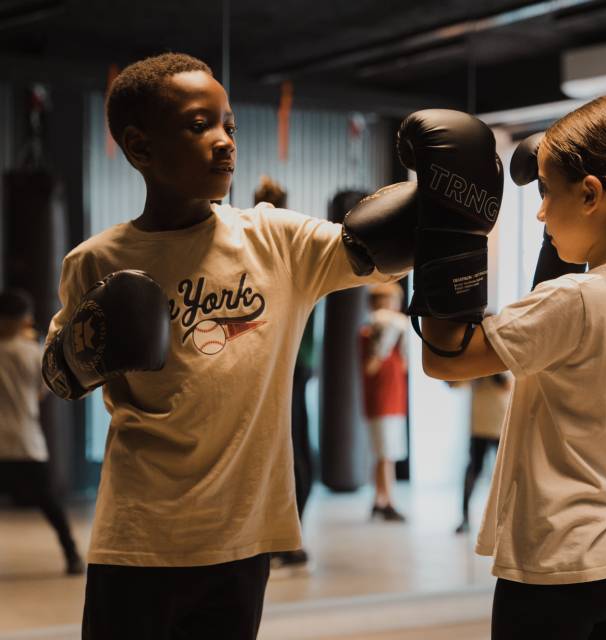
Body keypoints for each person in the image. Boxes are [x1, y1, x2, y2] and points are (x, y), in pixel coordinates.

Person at [40, 53, 426, 639]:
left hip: (240, 539)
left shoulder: (277, 239)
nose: (225, 142)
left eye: (230, 126)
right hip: (137, 538)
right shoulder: (96, 260)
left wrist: (442, 197)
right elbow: (60, 376)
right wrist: (85, 346)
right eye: (200, 126)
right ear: (141, 148)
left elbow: (379, 251)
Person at [414, 95, 606, 639]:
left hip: (559, 567)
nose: (541, 212)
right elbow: (549, 316)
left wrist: (447, 225)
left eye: (546, 194)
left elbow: (443, 359)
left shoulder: (575, 300)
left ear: (590, 194)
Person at [0, 289, 84, 575]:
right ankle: (72, 555)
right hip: (25, 441)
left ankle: (72, 555)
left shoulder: (27, 350)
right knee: (50, 503)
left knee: (50, 502)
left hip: (19, 440)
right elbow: (43, 392)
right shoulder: (33, 351)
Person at [253, 176, 313, 577]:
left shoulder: (268, 243)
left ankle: (282, 540)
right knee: (295, 458)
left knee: (288, 459)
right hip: (288, 364)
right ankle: (281, 540)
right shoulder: (295, 243)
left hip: (281, 364)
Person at [359, 282, 408, 522]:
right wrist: (382, 344)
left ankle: (380, 500)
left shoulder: (398, 335)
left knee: (387, 453)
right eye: (387, 302)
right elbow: (370, 368)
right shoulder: (369, 333)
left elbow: (405, 367)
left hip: (395, 400)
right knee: (384, 454)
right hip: (380, 401)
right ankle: (386, 501)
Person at [450, 372, 511, 535]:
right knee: (473, 471)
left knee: (507, 474)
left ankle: (509, 520)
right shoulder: (476, 360)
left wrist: (495, 374)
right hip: (480, 426)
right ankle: (464, 518)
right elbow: (454, 383)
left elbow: (510, 385)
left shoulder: (504, 357)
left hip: (502, 425)